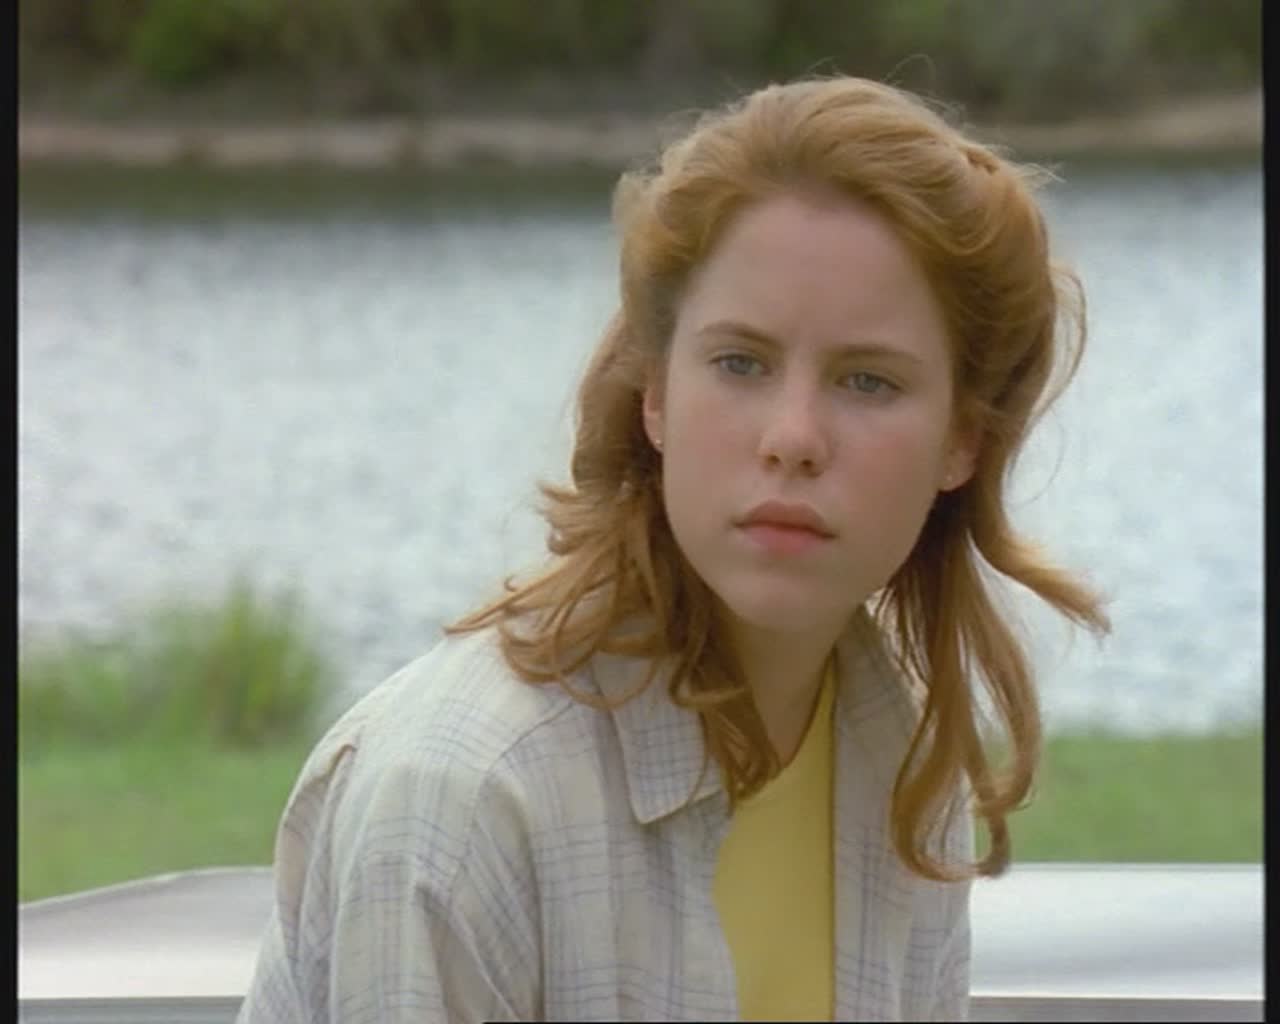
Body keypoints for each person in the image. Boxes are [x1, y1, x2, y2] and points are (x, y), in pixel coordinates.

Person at [237, 74, 1109, 1023]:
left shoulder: (899, 753)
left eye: (868, 381)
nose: (793, 436)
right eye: (740, 363)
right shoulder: (467, 797)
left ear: (961, 442)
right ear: (655, 394)